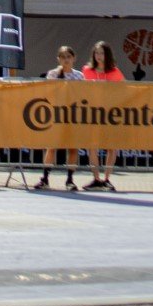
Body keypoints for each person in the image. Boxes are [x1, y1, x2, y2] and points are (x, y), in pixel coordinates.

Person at [34, 45, 83, 192]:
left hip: (73, 116)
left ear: (74, 59)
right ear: (59, 59)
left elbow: (83, 95)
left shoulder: (79, 76)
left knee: (73, 148)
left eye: (69, 57)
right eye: (63, 57)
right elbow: (49, 92)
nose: (66, 60)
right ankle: (45, 178)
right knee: (51, 147)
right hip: (56, 116)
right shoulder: (53, 74)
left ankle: (70, 179)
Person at [81, 40, 124, 191]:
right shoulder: (87, 70)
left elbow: (124, 90)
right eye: (97, 53)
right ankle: (96, 178)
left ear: (107, 55)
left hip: (110, 114)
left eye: (102, 53)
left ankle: (107, 178)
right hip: (92, 113)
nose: (99, 56)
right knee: (92, 146)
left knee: (112, 147)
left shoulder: (115, 72)